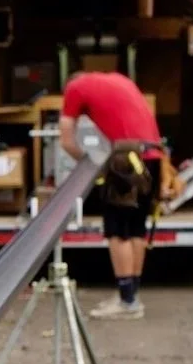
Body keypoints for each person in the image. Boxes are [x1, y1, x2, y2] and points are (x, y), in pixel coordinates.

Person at [59, 70, 163, 321]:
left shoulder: (75, 88)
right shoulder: (120, 80)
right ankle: (131, 297)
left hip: (127, 161)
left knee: (118, 232)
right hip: (153, 157)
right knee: (136, 230)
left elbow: (66, 141)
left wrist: (90, 167)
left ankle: (127, 303)